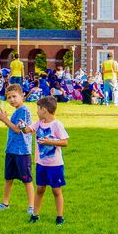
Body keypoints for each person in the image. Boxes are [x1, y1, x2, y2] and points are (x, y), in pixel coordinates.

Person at [28, 96, 70, 225]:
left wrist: (49, 142)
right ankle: (35, 215)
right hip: (41, 164)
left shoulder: (57, 125)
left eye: (38, 109)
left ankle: (59, 217)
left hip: (55, 165)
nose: (36, 112)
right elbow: (28, 130)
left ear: (44, 110)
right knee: (40, 189)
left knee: (56, 191)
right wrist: (23, 126)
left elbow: (65, 142)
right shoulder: (39, 123)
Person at [0, 84, 35, 214]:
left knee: (26, 179)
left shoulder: (24, 110)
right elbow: (14, 128)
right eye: (9, 97)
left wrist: (5, 119)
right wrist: (5, 120)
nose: (11, 100)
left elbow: (18, 130)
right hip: (11, 150)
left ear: (22, 96)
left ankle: (31, 206)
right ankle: (5, 203)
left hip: (22, 151)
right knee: (8, 178)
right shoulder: (17, 111)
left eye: (14, 96)